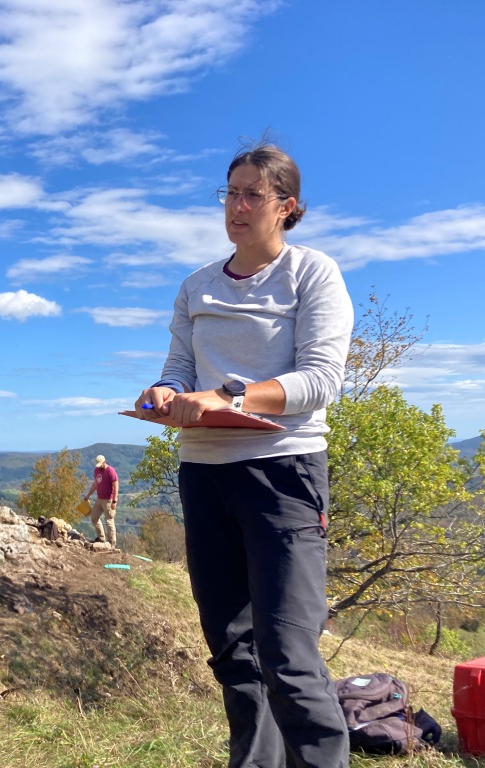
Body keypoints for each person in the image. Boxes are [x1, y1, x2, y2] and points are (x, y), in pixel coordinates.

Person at [134, 144, 353, 768]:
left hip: (283, 470)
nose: (237, 206)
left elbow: (321, 380)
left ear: (287, 207)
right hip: (204, 473)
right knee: (232, 648)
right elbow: (179, 366)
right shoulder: (196, 286)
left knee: (289, 652)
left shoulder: (311, 273)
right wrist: (166, 392)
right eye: (230, 193)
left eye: (253, 194)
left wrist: (228, 396)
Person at [82, 455, 118, 547]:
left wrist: (114, 500)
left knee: (109, 521)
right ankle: (101, 538)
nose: (99, 466)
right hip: (99, 499)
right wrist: (88, 495)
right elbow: (95, 484)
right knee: (94, 517)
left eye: (100, 464)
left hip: (109, 499)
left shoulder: (110, 470)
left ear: (104, 462)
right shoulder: (97, 470)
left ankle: (112, 543)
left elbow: (116, 485)